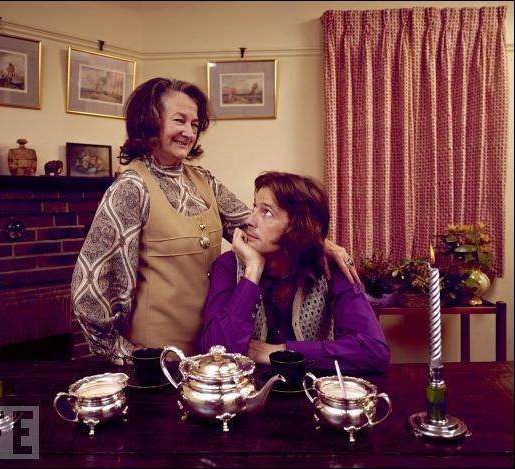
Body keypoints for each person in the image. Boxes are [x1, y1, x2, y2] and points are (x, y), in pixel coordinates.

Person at [71, 77, 360, 364]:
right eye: (179, 121)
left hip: (213, 355)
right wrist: (121, 352)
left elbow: (256, 226)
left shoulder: (204, 180)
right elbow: (91, 283)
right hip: (160, 360)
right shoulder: (130, 188)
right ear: (150, 121)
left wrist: (321, 243)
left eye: (195, 124)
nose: (189, 132)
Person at [200, 171, 390, 372]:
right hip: (247, 389)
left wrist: (281, 352)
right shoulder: (228, 266)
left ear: (297, 226)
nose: (249, 220)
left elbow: (375, 352)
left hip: (310, 388)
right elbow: (214, 352)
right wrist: (253, 271)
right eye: (255, 207)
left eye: (267, 213)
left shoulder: (329, 268)